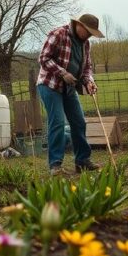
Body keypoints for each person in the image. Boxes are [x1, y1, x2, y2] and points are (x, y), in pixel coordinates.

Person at [36, 13, 104, 175]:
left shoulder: (85, 44)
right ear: (78, 25)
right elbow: (43, 58)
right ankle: (55, 165)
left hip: (69, 88)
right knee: (58, 122)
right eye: (87, 31)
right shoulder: (59, 34)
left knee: (79, 122)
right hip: (50, 85)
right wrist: (62, 73)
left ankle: (82, 161)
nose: (88, 35)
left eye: (91, 33)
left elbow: (87, 67)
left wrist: (89, 82)